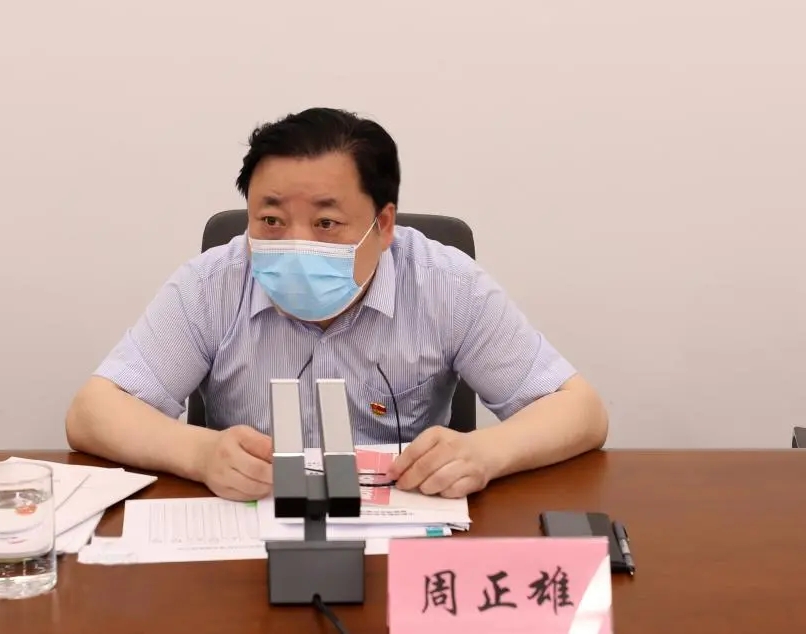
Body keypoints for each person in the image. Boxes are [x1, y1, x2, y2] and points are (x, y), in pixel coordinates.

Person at [66, 107, 608, 502]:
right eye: (271, 220)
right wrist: (199, 454)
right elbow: (92, 413)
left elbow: (580, 411)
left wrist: (486, 453)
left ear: (384, 224)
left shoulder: (447, 285)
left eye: (326, 223)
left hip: (401, 535)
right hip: (248, 538)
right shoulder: (212, 284)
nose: (295, 243)